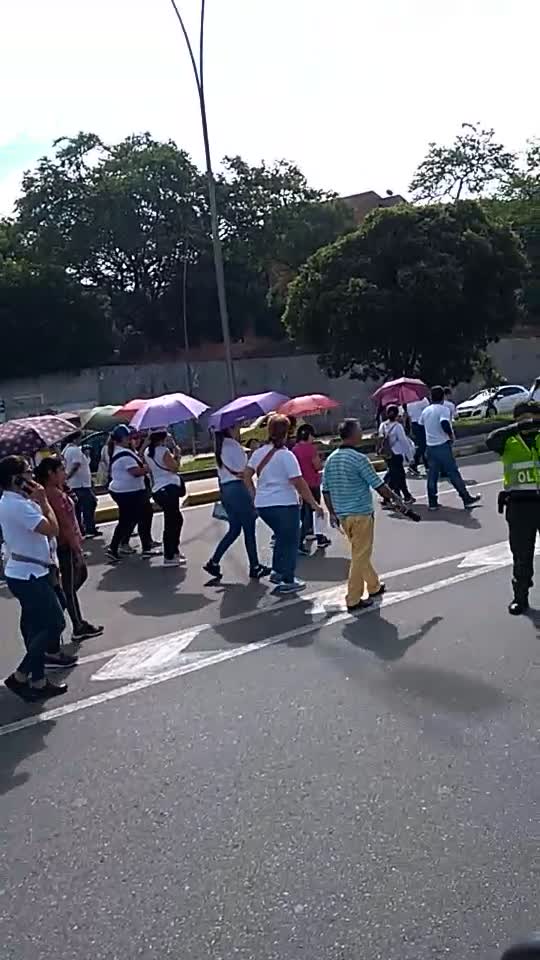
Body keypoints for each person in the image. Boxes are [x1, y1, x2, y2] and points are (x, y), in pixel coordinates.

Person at [322, 419, 419, 612]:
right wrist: (398, 502)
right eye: (359, 430)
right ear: (352, 435)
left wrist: (332, 512)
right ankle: (353, 598)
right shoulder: (359, 459)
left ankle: (373, 585)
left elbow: (326, 490)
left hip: (343, 515)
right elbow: (379, 485)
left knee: (359, 552)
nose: (362, 434)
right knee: (360, 555)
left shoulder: (331, 459)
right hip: (360, 514)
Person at [0, 455, 69, 701]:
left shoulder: (19, 501)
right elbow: (52, 529)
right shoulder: (16, 505)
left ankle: (38, 681)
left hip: (34, 569)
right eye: (28, 472)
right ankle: (20, 677)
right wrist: (43, 500)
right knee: (54, 623)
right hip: (28, 575)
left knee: (36, 627)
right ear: (16, 479)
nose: (32, 476)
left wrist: (36, 500)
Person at [245, 414, 323, 594]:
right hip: (284, 504)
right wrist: (314, 504)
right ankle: (287, 578)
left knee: (281, 537)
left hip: (264, 506)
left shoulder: (259, 452)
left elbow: (247, 475)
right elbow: (299, 482)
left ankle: (277, 571)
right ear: (288, 433)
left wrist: (254, 495)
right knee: (290, 541)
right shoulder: (286, 456)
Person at [34, 457, 103, 640]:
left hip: (67, 543)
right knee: (71, 585)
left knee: (75, 581)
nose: (65, 473)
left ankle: (62, 609)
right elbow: (64, 524)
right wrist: (77, 549)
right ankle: (76, 624)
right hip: (65, 544)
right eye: (61, 470)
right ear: (51, 473)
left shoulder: (56, 491)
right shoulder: (52, 494)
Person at [486, 400, 540, 615]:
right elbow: (490, 441)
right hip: (520, 506)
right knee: (521, 555)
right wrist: (518, 427)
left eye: (534, 418)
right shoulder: (508, 440)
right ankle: (520, 597)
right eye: (525, 418)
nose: (531, 423)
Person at [204, 426, 271, 581]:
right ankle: (255, 566)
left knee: (234, 529)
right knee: (249, 528)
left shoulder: (219, 447)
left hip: (227, 490)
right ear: (230, 428)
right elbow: (244, 470)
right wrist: (253, 453)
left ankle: (214, 561)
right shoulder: (233, 445)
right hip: (238, 489)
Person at [419, 386, 481, 512]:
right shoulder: (444, 409)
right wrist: (451, 435)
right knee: (453, 472)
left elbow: (420, 425)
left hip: (430, 446)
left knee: (432, 475)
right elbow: (444, 423)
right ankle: (466, 498)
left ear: (431, 397)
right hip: (442, 445)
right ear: (442, 397)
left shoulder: (426, 411)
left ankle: (432, 502)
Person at [106, 424, 157, 563]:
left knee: (130, 519)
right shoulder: (123, 454)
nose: (130, 438)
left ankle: (116, 547)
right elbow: (135, 472)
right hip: (129, 492)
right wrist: (150, 468)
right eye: (127, 437)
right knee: (142, 516)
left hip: (126, 491)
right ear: (120, 439)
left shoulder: (121, 451)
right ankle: (144, 547)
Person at [145, 430, 185, 567]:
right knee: (173, 522)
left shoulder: (147, 452)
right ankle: (169, 554)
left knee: (174, 520)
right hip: (168, 488)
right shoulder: (163, 450)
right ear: (161, 438)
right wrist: (178, 456)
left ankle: (174, 551)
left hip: (158, 489)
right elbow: (174, 468)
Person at [292, 424, 331, 552]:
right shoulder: (311, 449)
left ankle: (307, 533)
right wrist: (320, 460)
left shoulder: (294, 450)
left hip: (301, 485)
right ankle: (318, 537)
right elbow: (318, 466)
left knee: (304, 512)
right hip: (312, 484)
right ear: (308, 435)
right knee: (316, 511)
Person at [63, 432, 101, 538]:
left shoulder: (67, 449)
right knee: (90, 504)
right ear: (75, 438)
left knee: (79, 508)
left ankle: (82, 528)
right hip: (80, 484)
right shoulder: (74, 450)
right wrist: (68, 477)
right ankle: (89, 528)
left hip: (77, 483)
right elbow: (76, 465)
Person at [377, 405, 415, 504]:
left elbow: (380, 439)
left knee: (394, 475)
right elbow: (404, 442)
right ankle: (397, 497)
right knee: (399, 476)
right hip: (396, 454)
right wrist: (410, 457)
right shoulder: (397, 426)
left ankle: (399, 496)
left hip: (387, 455)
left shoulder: (383, 425)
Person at [406, 396, 429, 477]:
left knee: (421, 445)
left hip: (415, 425)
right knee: (423, 446)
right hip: (422, 424)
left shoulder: (409, 402)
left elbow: (409, 417)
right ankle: (414, 464)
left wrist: (411, 428)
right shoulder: (423, 400)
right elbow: (427, 412)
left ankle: (426, 465)